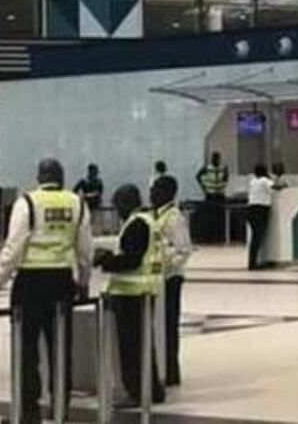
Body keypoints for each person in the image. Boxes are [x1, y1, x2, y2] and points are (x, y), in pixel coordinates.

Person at [0, 158, 93, 424]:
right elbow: (85, 251)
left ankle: (28, 411)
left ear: (39, 177)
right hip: (61, 282)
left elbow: (13, 248)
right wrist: (83, 282)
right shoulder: (76, 203)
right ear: (62, 177)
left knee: (26, 350)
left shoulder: (27, 202)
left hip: (30, 284)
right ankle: (61, 407)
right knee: (61, 348)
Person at [95, 184, 164, 406]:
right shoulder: (148, 222)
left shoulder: (137, 225)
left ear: (127, 203)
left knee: (131, 347)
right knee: (144, 345)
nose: (118, 210)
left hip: (132, 294)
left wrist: (106, 261)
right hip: (144, 291)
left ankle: (135, 391)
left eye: (119, 205)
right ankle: (151, 389)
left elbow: (131, 259)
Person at [151, 176, 191, 386]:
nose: (152, 193)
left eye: (156, 189)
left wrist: (167, 262)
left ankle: (171, 371)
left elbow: (184, 249)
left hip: (171, 278)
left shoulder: (174, 218)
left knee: (169, 325)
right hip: (157, 278)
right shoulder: (156, 215)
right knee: (159, 325)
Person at [245, 164, 278, 271]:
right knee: (257, 237)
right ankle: (253, 263)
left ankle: (253, 261)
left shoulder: (253, 181)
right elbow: (276, 187)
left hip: (251, 209)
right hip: (260, 210)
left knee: (256, 237)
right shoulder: (264, 180)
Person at [196, 151, 230, 243]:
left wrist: (223, 185)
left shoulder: (223, 168)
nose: (215, 160)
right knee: (210, 217)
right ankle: (211, 237)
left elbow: (226, 178)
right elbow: (198, 176)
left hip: (219, 195)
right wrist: (204, 188)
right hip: (210, 195)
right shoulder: (207, 168)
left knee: (220, 217)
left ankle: (220, 237)